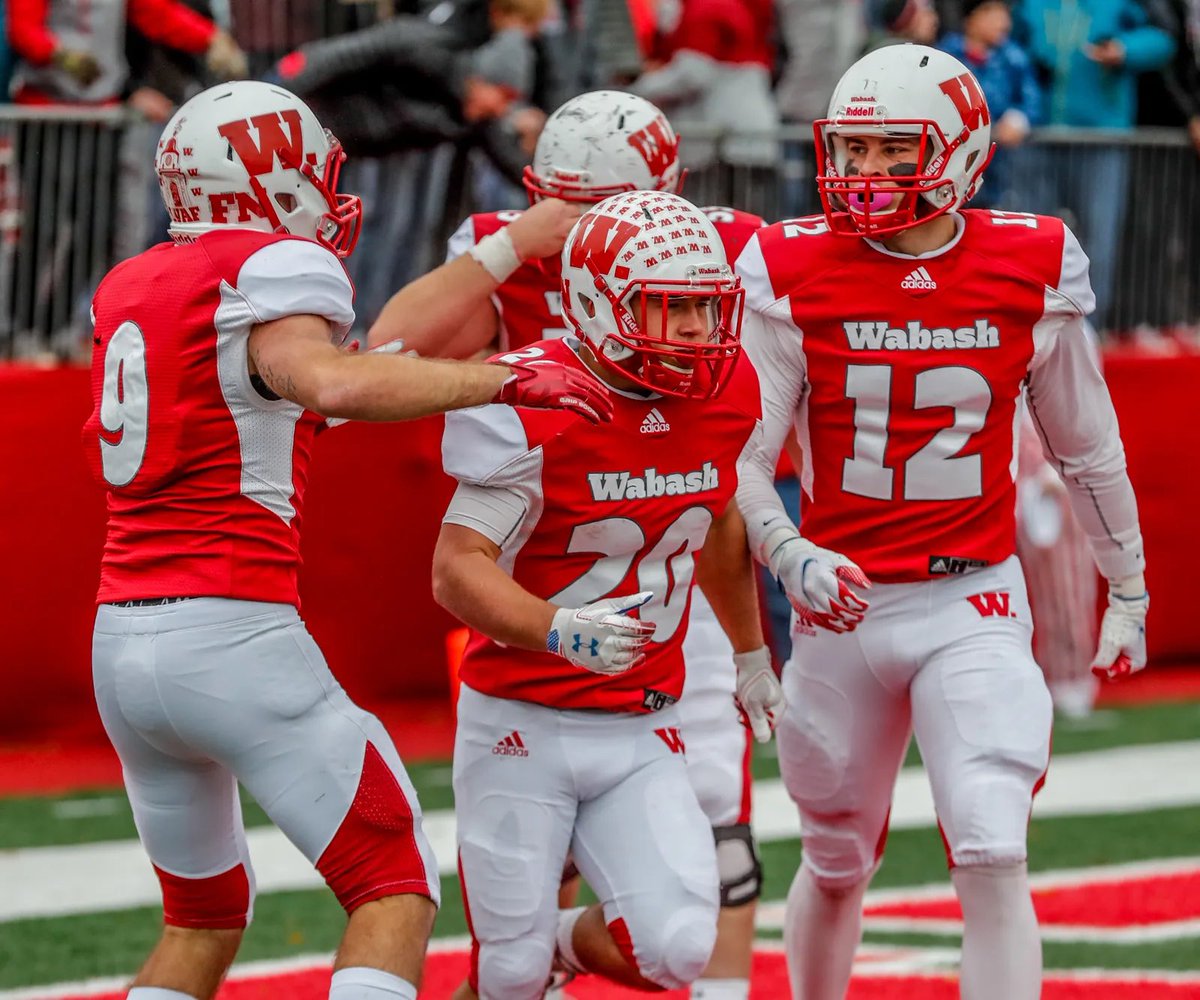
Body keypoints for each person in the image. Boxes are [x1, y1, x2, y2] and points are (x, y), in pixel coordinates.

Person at [81, 80, 610, 1000]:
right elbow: (326, 383)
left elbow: (263, 403)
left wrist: (400, 370)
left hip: (123, 642)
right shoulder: (273, 268)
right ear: (271, 184)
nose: (327, 199)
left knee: (199, 918)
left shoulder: (135, 284)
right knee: (393, 888)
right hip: (232, 632)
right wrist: (504, 382)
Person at [733, 44, 1149, 1000]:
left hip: (973, 598)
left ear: (962, 154)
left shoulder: (1029, 258)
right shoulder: (790, 266)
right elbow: (745, 463)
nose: (866, 174)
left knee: (993, 843)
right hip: (842, 610)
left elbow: (1088, 447)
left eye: (893, 150)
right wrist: (788, 551)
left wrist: (1127, 582)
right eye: (855, 149)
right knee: (837, 857)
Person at [370, 90, 773, 1000]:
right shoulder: (511, 274)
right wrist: (513, 245)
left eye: (607, 204)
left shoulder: (716, 282)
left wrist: (758, 638)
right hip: (543, 569)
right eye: (570, 205)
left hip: (668, 582)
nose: (592, 225)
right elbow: (389, 350)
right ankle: (528, 959)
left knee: (719, 855)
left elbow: (727, 499)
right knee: (516, 934)